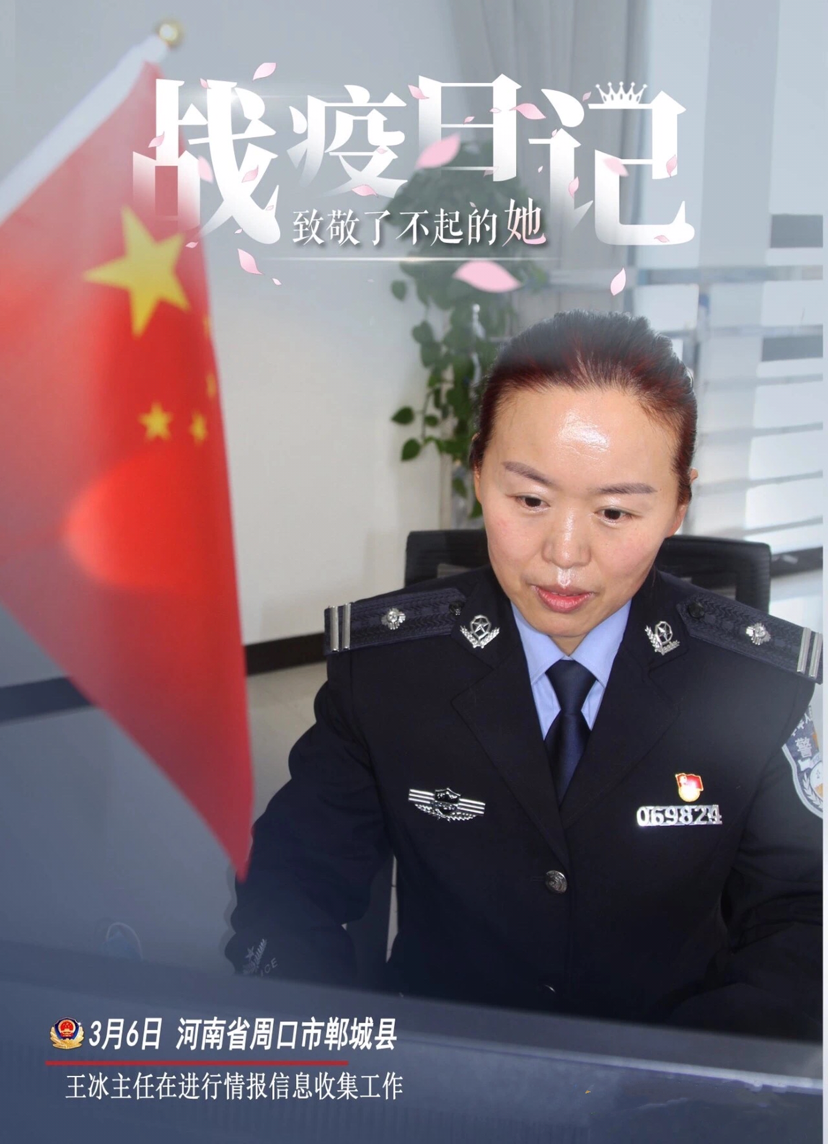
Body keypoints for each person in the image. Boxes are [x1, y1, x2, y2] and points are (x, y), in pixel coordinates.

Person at [227, 310, 822, 1040]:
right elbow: (290, 883)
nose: (564, 554)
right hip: (443, 1061)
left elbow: (805, 916)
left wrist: (687, 1082)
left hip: (677, 1072)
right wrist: (340, 1049)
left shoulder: (757, 687)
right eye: (531, 500)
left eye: (615, 511)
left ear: (678, 505)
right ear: (478, 473)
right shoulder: (385, 672)